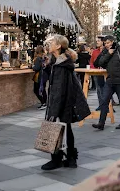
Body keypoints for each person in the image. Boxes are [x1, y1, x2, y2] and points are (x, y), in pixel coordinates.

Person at [41, 35, 90, 171]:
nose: (48, 44)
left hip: (61, 102)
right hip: (66, 101)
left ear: (58, 46)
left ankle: (56, 159)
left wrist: (54, 111)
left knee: (54, 127)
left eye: (51, 43)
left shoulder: (61, 65)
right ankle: (70, 159)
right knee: (66, 128)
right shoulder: (59, 62)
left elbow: (59, 89)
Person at [92, 35, 120, 131]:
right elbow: (98, 63)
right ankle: (101, 123)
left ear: (113, 42)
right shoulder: (106, 51)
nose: (106, 45)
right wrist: (108, 54)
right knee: (104, 101)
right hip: (110, 80)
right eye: (105, 43)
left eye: (108, 43)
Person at [90, 37, 106, 111]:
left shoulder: (107, 51)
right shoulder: (95, 51)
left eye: (98, 41)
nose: (97, 42)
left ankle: (108, 105)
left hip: (106, 73)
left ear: (103, 42)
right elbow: (91, 62)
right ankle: (101, 105)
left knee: (106, 89)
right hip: (96, 72)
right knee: (99, 89)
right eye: (97, 41)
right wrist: (94, 68)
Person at [32, 46, 47, 110]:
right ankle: (45, 103)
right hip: (44, 76)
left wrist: (32, 66)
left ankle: (43, 103)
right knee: (43, 90)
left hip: (39, 77)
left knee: (36, 90)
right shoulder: (43, 58)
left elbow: (37, 68)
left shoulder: (38, 58)